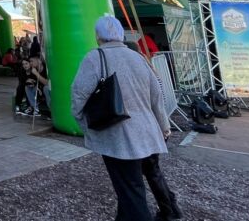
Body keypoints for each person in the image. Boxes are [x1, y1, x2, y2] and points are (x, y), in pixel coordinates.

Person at [71, 16, 181, 221]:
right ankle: (166, 210)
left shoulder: (94, 57)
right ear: (121, 35)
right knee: (132, 187)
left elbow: (79, 95)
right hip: (148, 132)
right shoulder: (138, 57)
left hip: (118, 134)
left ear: (97, 36)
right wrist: (164, 125)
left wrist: (83, 124)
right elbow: (156, 95)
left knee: (131, 190)